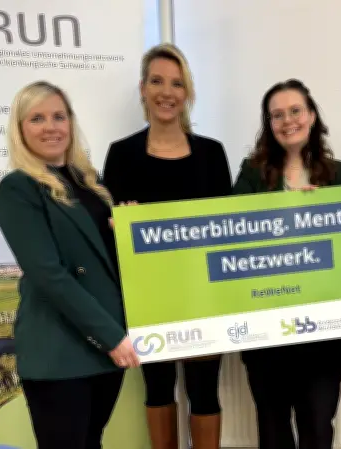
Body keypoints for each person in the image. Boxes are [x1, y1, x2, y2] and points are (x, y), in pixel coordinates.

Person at [0, 80, 139, 448]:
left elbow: (104, 261)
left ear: (71, 122)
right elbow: (49, 275)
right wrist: (110, 336)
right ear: (20, 128)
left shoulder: (90, 183)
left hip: (104, 347)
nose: (51, 127)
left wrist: (128, 230)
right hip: (60, 350)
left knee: (92, 441)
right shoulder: (18, 188)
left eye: (59, 116)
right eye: (37, 118)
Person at [101, 43, 231, 449]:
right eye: (157, 81)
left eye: (177, 83)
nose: (166, 92)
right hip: (148, 299)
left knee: (204, 392)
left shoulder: (212, 154)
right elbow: (109, 234)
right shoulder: (121, 155)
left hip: (204, 296)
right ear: (143, 89)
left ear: (187, 93)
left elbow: (227, 230)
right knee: (157, 390)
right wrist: (121, 224)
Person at [232, 79, 341, 449]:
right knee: (273, 430)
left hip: (324, 332)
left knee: (317, 426)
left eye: (295, 111)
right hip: (265, 328)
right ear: (269, 124)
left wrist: (324, 218)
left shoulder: (340, 175)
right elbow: (232, 238)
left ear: (312, 115)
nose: (288, 121)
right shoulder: (251, 174)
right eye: (277, 115)